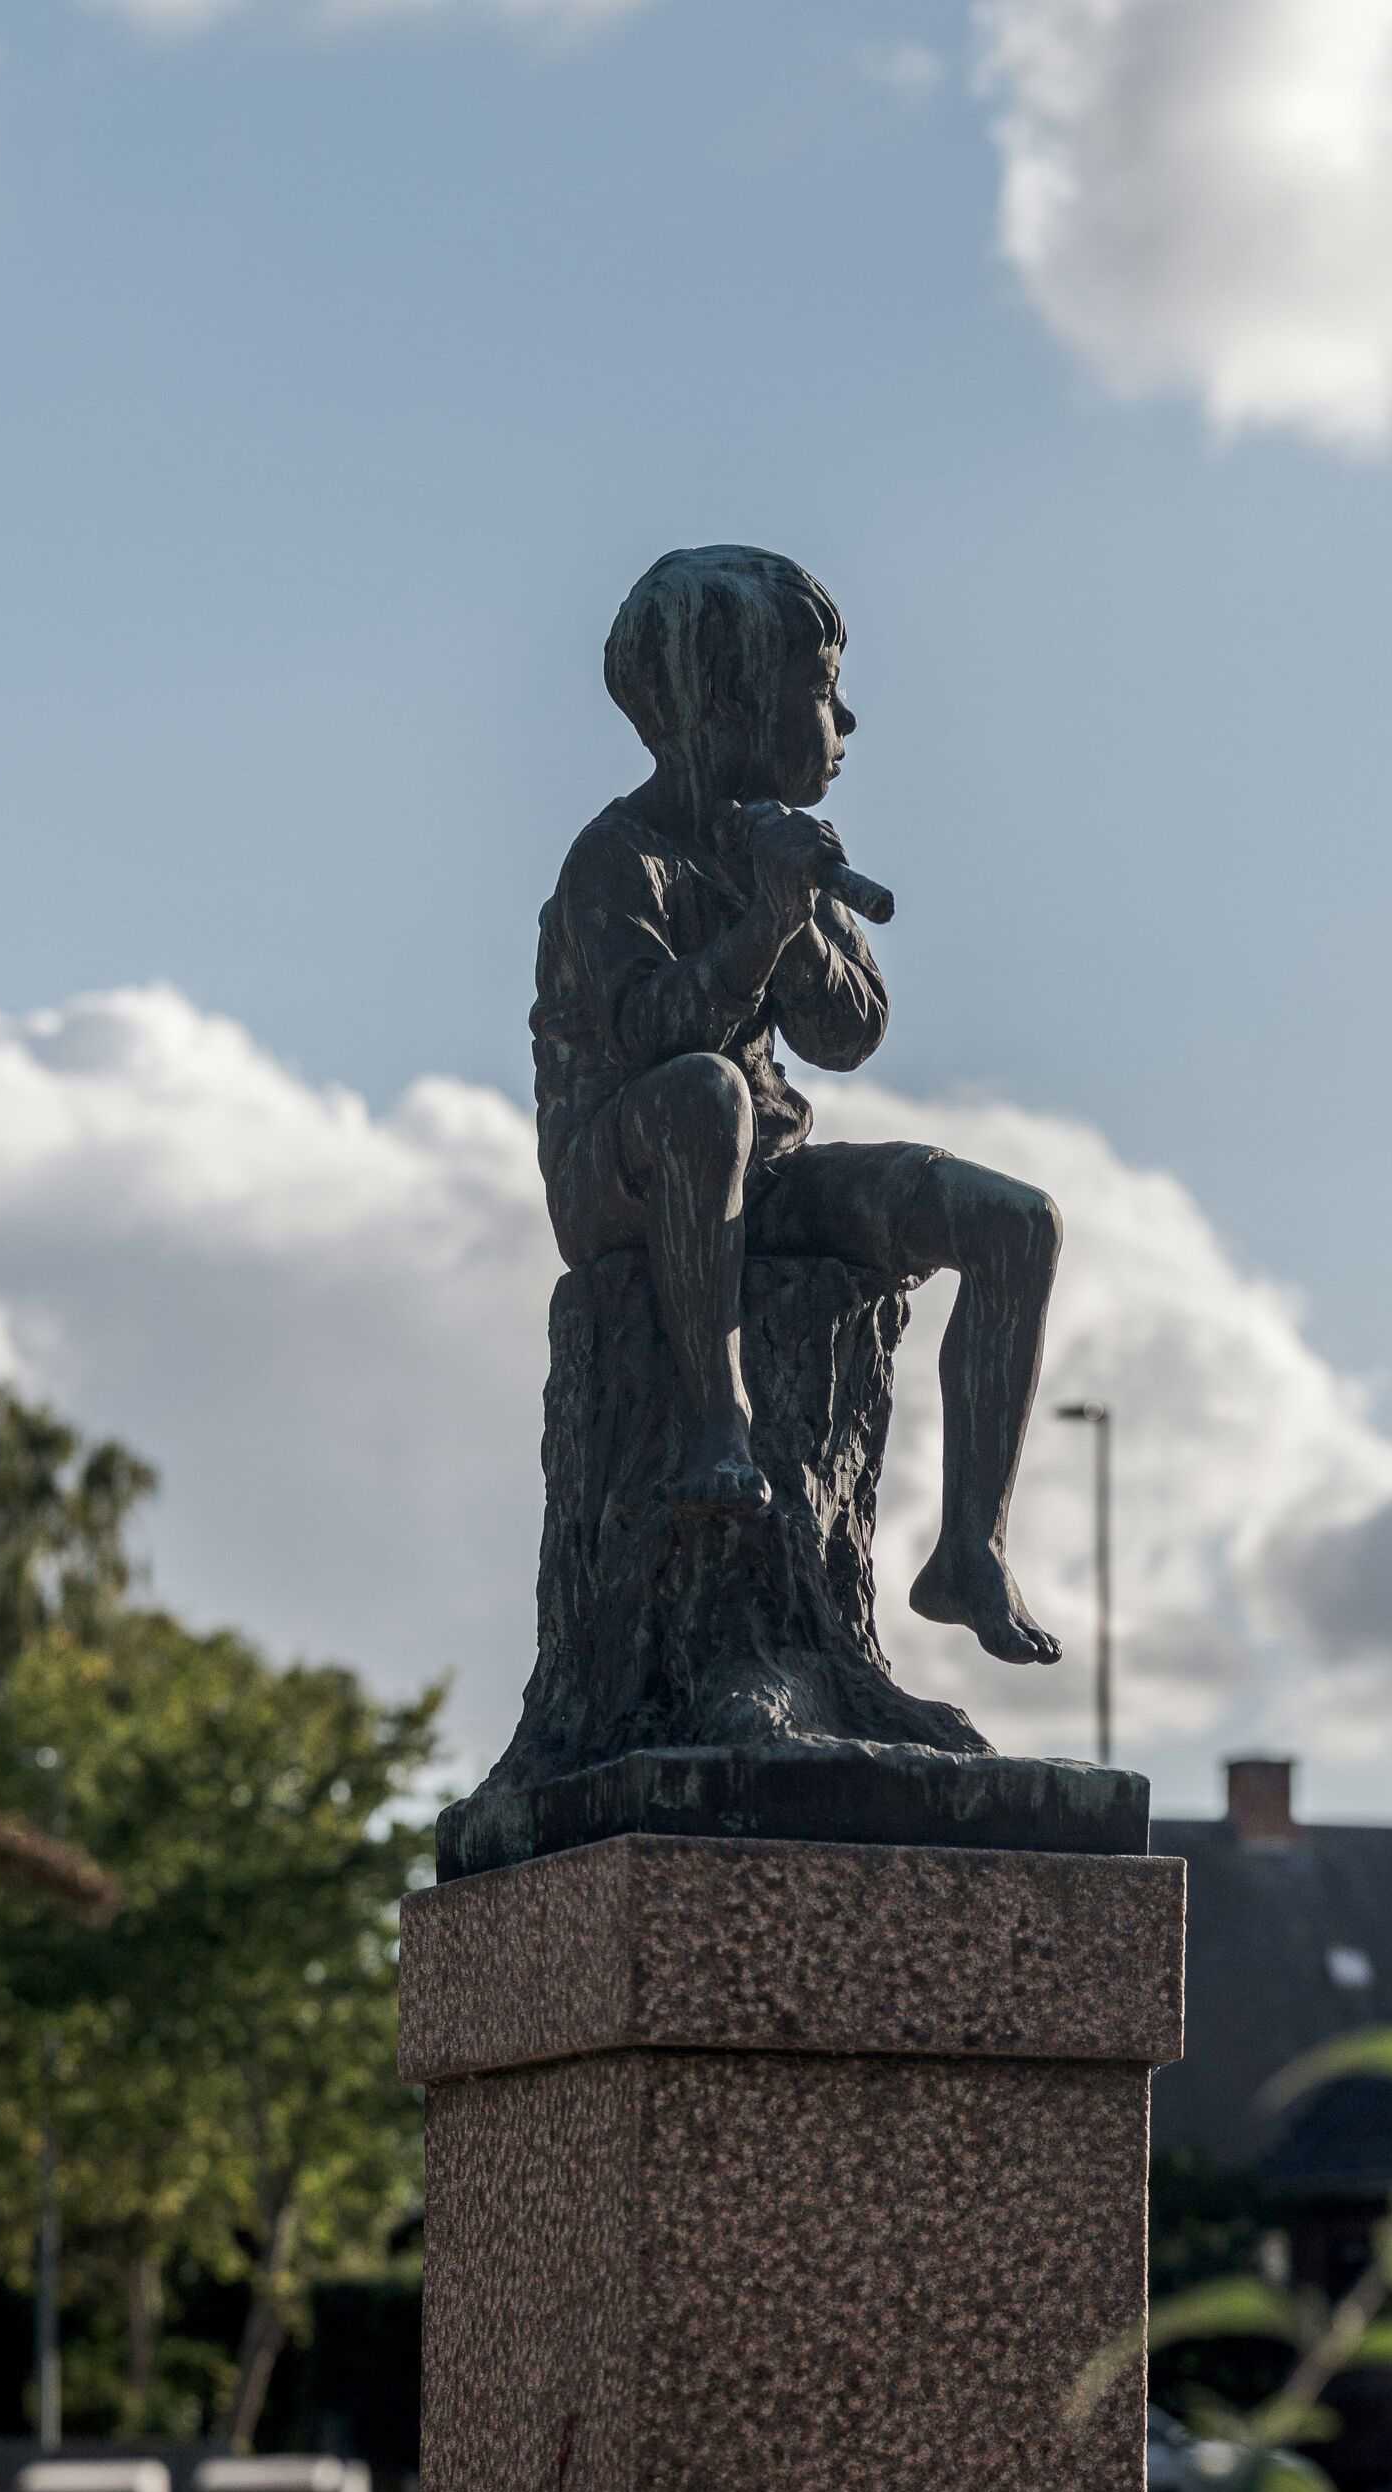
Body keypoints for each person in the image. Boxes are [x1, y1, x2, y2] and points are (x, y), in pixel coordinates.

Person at [530, 544, 1064, 1665]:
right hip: (623, 1172)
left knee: (1016, 1223)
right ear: (727, 705)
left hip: (758, 1176)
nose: (846, 720)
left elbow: (850, 1034)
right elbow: (650, 1036)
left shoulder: (778, 847)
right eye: (821, 689)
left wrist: (799, 908)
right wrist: (764, 923)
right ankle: (716, 1422)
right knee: (706, 1093)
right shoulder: (615, 859)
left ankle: (970, 1551)